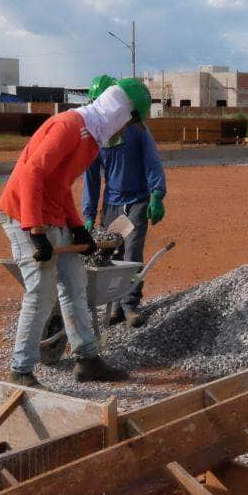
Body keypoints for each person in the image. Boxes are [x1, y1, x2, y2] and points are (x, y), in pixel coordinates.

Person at [0, 78, 152, 386]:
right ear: (122, 113)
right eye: (129, 123)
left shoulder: (92, 140)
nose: (125, 130)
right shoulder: (70, 126)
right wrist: (35, 230)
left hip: (53, 217)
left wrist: (78, 228)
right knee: (42, 291)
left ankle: (87, 360)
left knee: (74, 282)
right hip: (23, 214)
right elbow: (32, 173)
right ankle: (21, 370)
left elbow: (60, 185)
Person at [82, 74, 167, 327]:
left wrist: (157, 195)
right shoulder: (97, 135)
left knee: (131, 254)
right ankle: (115, 305)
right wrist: (88, 214)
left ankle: (130, 304)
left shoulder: (138, 130)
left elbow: (152, 162)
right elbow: (91, 178)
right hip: (112, 204)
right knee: (111, 254)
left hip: (137, 201)